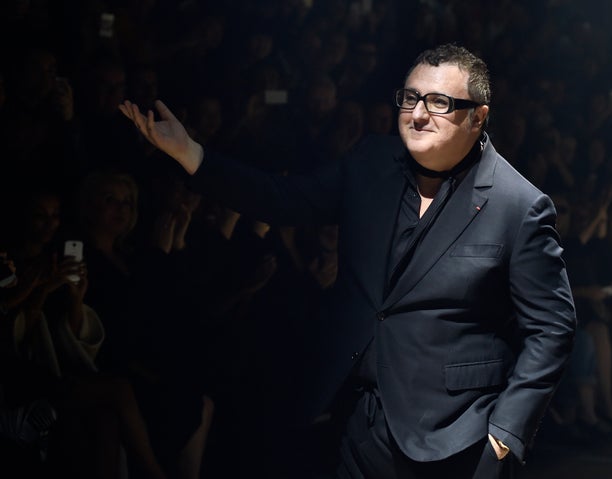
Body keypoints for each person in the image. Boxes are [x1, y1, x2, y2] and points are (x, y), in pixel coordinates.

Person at [119, 44, 576, 479]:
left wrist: (506, 431)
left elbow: (552, 327)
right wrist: (191, 154)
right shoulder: (370, 162)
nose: (418, 114)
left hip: (457, 434)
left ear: (478, 117)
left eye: (438, 102)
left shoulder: (518, 205)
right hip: (355, 420)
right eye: (411, 98)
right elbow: (284, 199)